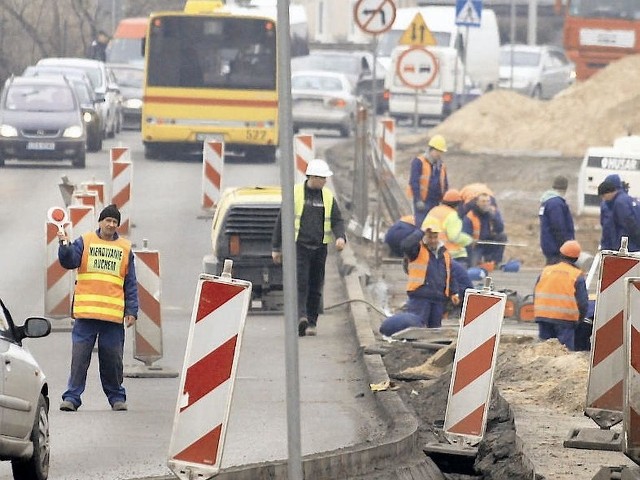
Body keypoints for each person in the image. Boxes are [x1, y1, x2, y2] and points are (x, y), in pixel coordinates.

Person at [57, 204, 138, 412]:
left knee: (112, 359)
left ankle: (116, 397)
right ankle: (72, 397)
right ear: (100, 222)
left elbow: (130, 283)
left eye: (114, 222)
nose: (111, 224)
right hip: (86, 314)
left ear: (117, 225)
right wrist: (64, 245)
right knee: (79, 358)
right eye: (108, 220)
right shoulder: (85, 241)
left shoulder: (125, 248)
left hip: (112, 317)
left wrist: (131, 311)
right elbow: (69, 261)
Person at [272, 159, 346, 337]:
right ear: (313, 177)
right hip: (299, 247)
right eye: (323, 178)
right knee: (301, 283)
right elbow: (282, 220)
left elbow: (337, 219)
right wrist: (276, 247)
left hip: (319, 248)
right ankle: (301, 317)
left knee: (316, 285)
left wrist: (341, 237)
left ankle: (312, 321)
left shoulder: (327, 196)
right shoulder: (296, 193)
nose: (325, 181)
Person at [379, 220, 460, 336]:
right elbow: (405, 245)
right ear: (425, 236)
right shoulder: (417, 250)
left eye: (435, 237)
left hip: (438, 299)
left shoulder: (445, 253)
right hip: (421, 297)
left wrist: (454, 292)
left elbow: (450, 275)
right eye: (430, 237)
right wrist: (420, 232)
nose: (432, 240)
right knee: (417, 328)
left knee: (435, 332)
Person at [534, 240, 588, 351]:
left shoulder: (546, 270)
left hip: (543, 316)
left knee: (544, 351)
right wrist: (580, 319)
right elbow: (582, 303)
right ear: (577, 258)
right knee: (564, 354)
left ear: (561, 253)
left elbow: (536, 292)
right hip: (565, 320)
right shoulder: (576, 275)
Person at [422, 189, 474, 267]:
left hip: (431, 252)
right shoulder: (452, 215)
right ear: (457, 205)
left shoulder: (434, 210)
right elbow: (454, 237)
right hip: (452, 255)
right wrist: (469, 240)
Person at [407, 134, 449, 226]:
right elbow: (414, 182)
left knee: (434, 227)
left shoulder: (441, 166)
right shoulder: (419, 162)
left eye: (441, 152)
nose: (440, 154)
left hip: (436, 202)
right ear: (431, 149)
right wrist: (418, 199)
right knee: (421, 226)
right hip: (422, 201)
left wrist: (445, 201)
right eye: (438, 151)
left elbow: (445, 185)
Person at [462, 192, 507, 269]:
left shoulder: (493, 213)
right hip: (476, 246)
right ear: (477, 202)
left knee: (502, 236)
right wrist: (472, 241)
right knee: (473, 267)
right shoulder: (470, 216)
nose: (485, 204)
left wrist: (494, 217)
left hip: (488, 243)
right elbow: (465, 235)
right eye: (483, 201)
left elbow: (500, 229)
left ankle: (496, 262)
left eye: (487, 201)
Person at [539, 175, 575, 264]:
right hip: (557, 249)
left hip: (550, 246)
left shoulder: (547, 201)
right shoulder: (556, 204)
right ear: (565, 188)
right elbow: (558, 227)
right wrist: (565, 245)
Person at [598, 176, 640, 251]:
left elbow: (629, 223)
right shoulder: (628, 199)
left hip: (625, 246)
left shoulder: (619, 203)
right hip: (630, 246)